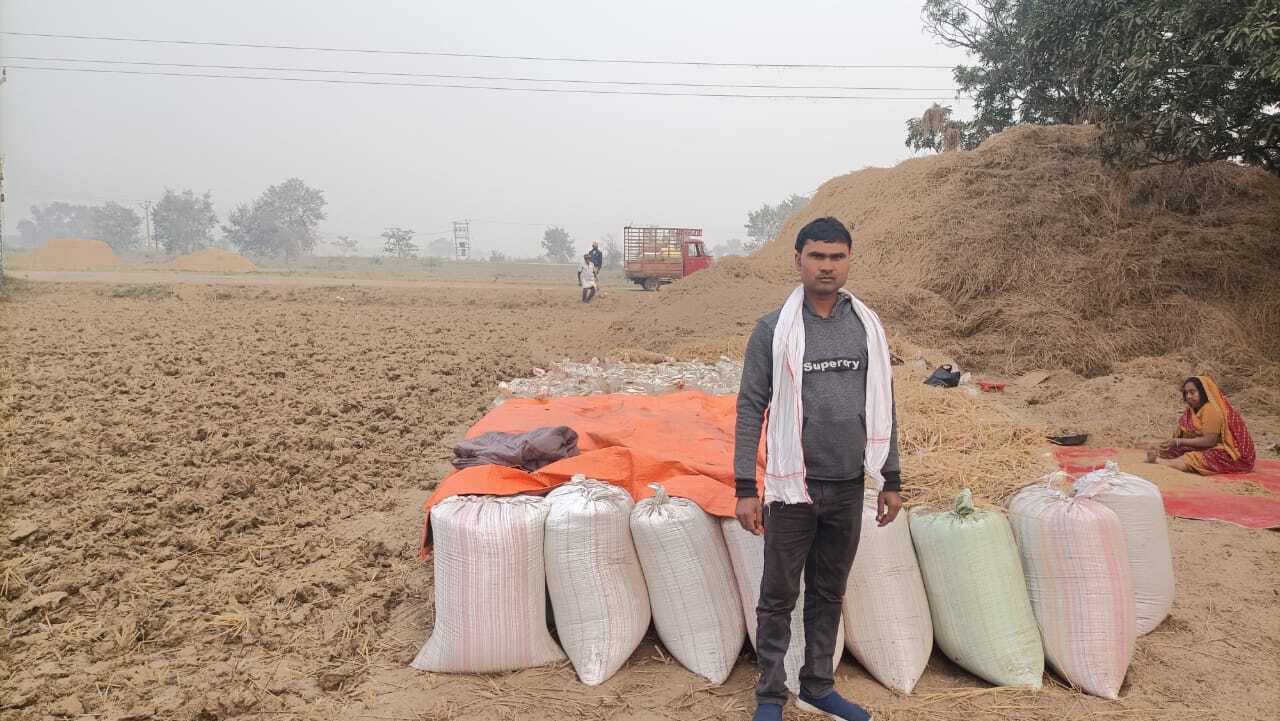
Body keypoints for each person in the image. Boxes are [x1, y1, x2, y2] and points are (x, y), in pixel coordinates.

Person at [734, 216, 901, 721]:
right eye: (817, 256)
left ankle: (818, 686)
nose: (827, 266)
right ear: (798, 260)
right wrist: (745, 486)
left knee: (829, 592)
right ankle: (770, 694)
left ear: (849, 260)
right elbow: (751, 407)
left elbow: (884, 405)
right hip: (792, 489)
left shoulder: (866, 327)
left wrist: (891, 477)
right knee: (778, 595)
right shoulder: (773, 330)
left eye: (837, 257)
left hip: (848, 485)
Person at [1147, 375, 1255, 473]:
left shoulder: (1211, 409)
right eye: (1186, 393)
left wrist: (1178, 441)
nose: (1188, 396)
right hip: (1207, 446)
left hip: (1231, 453)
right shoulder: (1192, 409)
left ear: (1203, 392)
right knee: (1172, 450)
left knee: (1194, 458)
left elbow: (1209, 441)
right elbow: (1187, 435)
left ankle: (1161, 462)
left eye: (1192, 392)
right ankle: (1161, 458)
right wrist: (1170, 444)